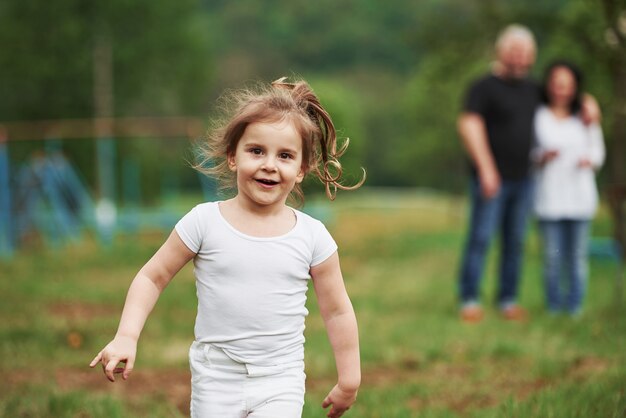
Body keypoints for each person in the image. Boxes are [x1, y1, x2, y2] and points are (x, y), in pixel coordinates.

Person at [90, 77, 364, 418]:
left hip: (280, 380)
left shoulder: (312, 236)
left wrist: (349, 379)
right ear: (233, 156)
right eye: (256, 151)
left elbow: (337, 310)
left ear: (301, 169)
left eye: (285, 155)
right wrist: (126, 336)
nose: (269, 164)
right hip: (215, 379)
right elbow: (153, 276)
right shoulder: (204, 222)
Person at [457, 24, 540, 322]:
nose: (519, 58)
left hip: (525, 178)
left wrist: (589, 104)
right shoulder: (483, 87)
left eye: (525, 53)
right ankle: (469, 299)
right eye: (514, 51)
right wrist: (486, 169)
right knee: (481, 238)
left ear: (532, 56)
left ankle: (508, 299)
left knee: (515, 241)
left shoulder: (533, 89)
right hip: (492, 178)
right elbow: (469, 125)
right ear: (501, 52)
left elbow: (563, 103)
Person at [532, 61, 605, 317]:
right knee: (553, 258)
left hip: (580, 199)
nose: (561, 89)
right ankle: (554, 307)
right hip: (550, 200)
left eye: (567, 84)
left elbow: (598, 152)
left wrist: (589, 161)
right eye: (556, 83)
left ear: (574, 87)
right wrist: (542, 156)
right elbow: (529, 153)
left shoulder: (585, 115)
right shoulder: (538, 114)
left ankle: (574, 308)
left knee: (576, 259)